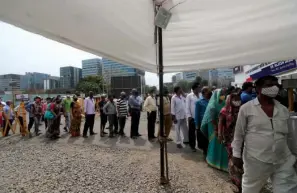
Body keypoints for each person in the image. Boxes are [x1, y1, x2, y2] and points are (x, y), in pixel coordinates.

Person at [232, 75, 297, 193]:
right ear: (258, 88)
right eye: (269, 85)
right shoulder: (246, 109)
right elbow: (238, 134)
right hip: (256, 160)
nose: (274, 87)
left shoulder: (283, 109)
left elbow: (290, 135)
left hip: (282, 159)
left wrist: (293, 155)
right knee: (250, 189)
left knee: (288, 189)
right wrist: (236, 154)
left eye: (276, 85)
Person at [218, 93, 242, 192]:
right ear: (229, 100)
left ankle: (241, 180)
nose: (237, 101)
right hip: (229, 139)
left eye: (238, 99)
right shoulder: (224, 111)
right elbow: (220, 123)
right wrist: (220, 135)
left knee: (241, 159)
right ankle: (235, 181)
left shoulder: (242, 110)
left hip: (241, 139)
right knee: (233, 158)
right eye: (234, 99)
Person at [201, 89, 228, 171]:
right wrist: (216, 129)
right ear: (217, 95)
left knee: (222, 144)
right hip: (214, 126)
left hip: (222, 126)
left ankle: (222, 162)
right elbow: (212, 119)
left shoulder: (224, 103)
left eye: (224, 94)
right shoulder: (212, 105)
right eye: (221, 94)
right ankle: (213, 160)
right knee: (215, 143)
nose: (223, 96)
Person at [195, 87, 212, 157]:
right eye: (208, 91)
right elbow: (197, 114)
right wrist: (197, 124)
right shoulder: (199, 102)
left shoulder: (211, 100)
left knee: (210, 137)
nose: (210, 92)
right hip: (203, 123)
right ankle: (205, 151)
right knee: (204, 138)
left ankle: (210, 150)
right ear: (204, 92)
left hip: (210, 122)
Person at [186, 82, 201, 152]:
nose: (199, 88)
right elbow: (187, 107)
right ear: (195, 88)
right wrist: (189, 116)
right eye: (198, 87)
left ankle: (200, 145)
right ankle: (192, 146)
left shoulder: (201, 95)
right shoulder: (189, 96)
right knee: (192, 132)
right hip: (192, 117)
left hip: (200, 117)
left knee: (199, 132)